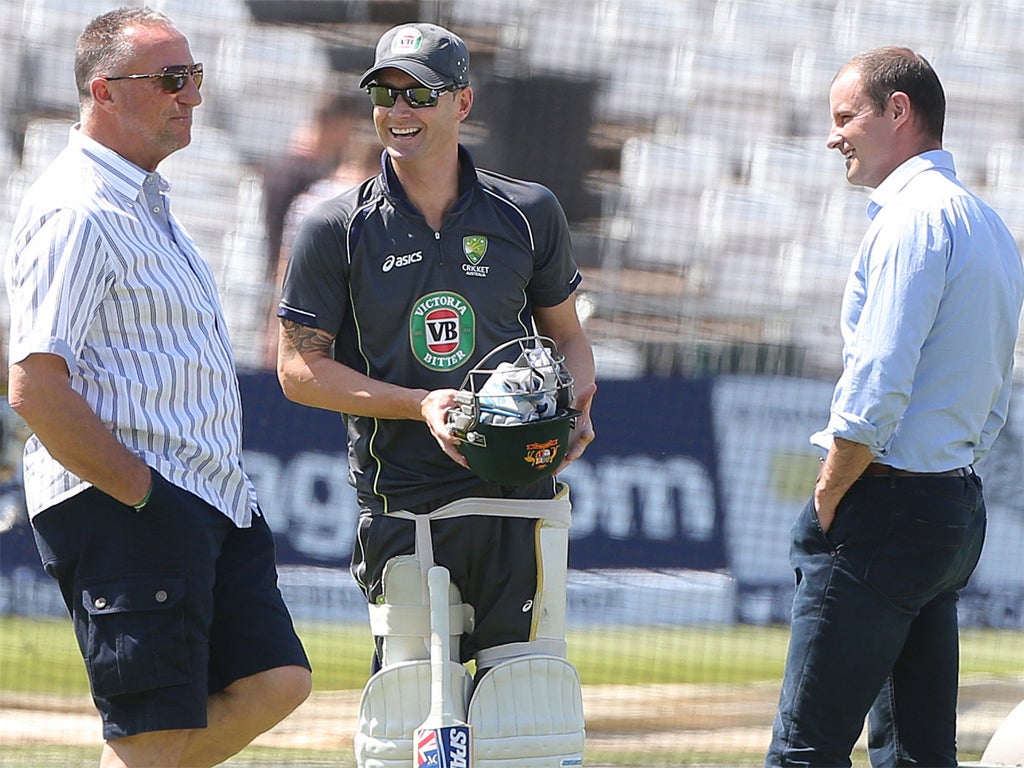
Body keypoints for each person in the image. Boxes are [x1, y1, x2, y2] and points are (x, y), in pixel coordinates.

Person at [275, 21, 596, 765]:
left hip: (518, 494)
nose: (398, 109)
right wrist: (417, 403)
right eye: (385, 93)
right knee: (413, 713)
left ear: (463, 103)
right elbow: (299, 371)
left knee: (530, 717)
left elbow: (569, 340)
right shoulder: (336, 227)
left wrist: (576, 405)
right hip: (403, 501)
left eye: (418, 91)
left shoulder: (529, 211)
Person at [4, 8, 311, 767]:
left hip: (205, 500)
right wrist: (143, 494)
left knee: (278, 682)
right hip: (127, 507)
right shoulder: (77, 207)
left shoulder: (146, 200)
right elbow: (34, 387)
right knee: (151, 739)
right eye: (172, 80)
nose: (192, 97)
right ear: (104, 92)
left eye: (194, 77)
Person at [765, 47, 1024, 767]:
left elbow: (878, 381)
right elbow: (994, 392)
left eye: (846, 116)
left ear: (898, 111)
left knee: (802, 751)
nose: (832, 136)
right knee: (918, 755)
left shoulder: (912, 220)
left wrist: (830, 491)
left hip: (883, 506)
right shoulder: (990, 226)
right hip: (951, 506)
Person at [260, 89, 364, 281]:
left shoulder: (288, 164)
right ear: (336, 123)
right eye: (350, 127)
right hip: (291, 275)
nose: (350, 137)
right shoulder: (304, 175)